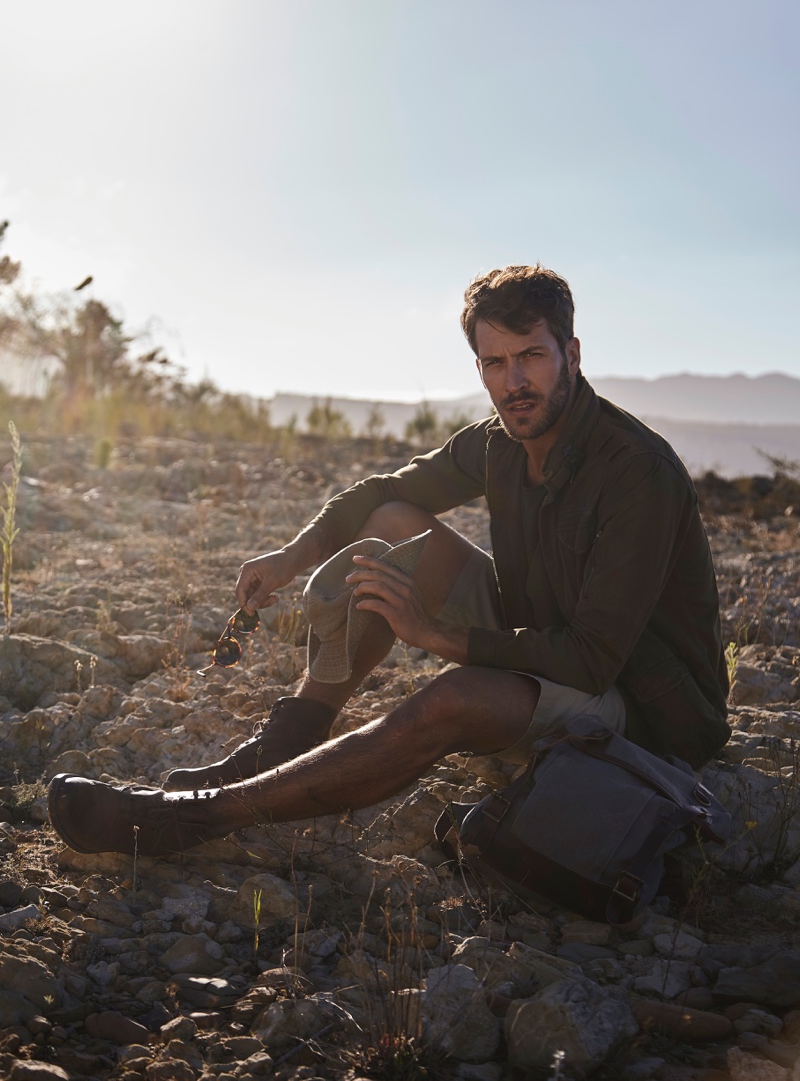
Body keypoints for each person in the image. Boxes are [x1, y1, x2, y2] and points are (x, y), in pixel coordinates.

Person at [48, 264, 731, 857]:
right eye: (495, 363)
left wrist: (439, 638)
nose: (514, 381)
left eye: (532, 356)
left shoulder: (637, 471)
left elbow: (593, 657)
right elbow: (381, 493)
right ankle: (285, 741)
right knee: (391, 525)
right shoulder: (498, 440)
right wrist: (292, 556)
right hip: (548, 634)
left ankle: (189, 821)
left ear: (572, 353)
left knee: (452, 697)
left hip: (646, 710)